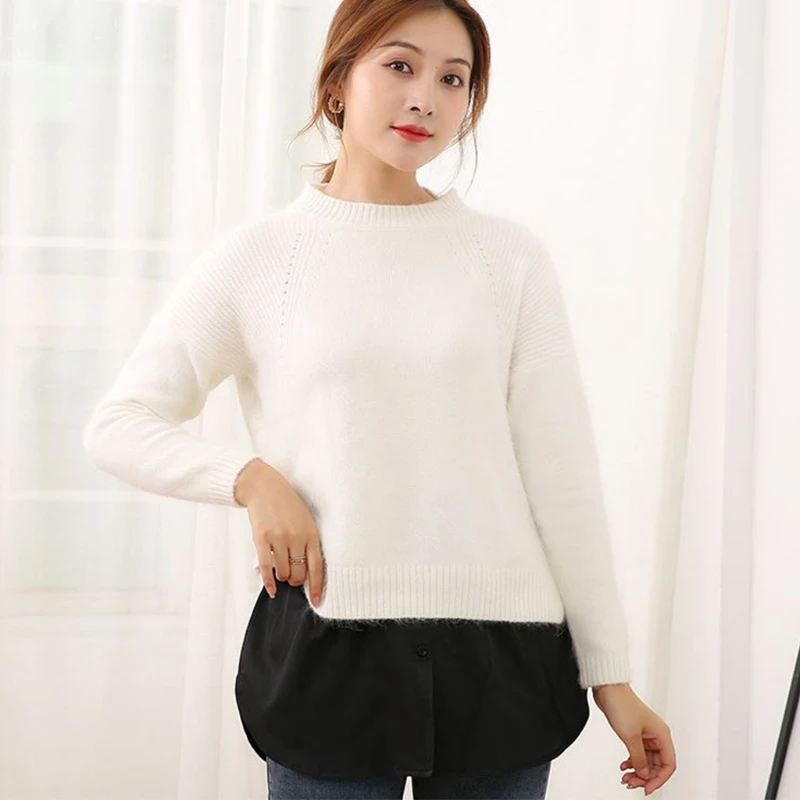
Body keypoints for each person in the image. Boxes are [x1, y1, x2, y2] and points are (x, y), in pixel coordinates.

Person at [83, 0, 677, 797]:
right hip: (330, 651)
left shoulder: (509, 260)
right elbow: (119, 424)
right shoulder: (261, 257)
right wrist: (249, 479)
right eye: (400, 65)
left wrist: (612, 676)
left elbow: (563, 482)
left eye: (453, 78)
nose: (425, 97)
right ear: (338, 80)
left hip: (503, 660)